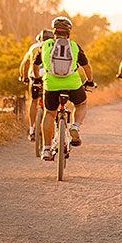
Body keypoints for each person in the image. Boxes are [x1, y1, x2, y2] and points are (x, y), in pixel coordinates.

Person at [32, 16, 95, 161]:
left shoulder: (45, 45)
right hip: (72, 84)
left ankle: (47, 149)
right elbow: (87, 67)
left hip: (51, 84)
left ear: (54, 32)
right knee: (81, 104)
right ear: (68, 32)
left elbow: (35, 65)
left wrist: (36, 79)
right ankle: (76, 126)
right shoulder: (74, 46)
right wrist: (90, 81)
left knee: (49, 114)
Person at [19, 29, 54, 142]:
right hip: (49, 77)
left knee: (34, 101)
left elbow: (25, 63)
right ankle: (53, 130)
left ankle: (32, 128)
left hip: (34, 76)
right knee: (51, 106)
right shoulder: (54, 46)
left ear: (40, 38)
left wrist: (23, 76)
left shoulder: (33, 47)